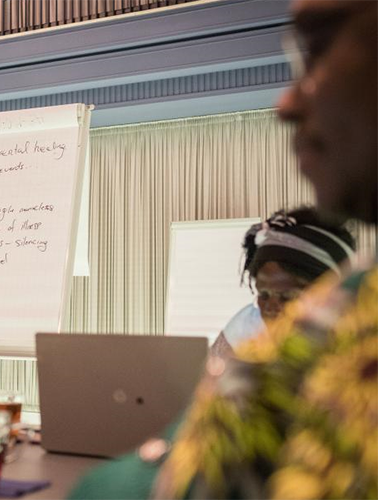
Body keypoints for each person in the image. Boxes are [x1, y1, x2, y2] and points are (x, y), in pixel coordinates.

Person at [74, 0, 378, 497]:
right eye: (264, 294)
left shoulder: (342, 325)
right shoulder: (317, 322)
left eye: (319, 48)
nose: (287, 104)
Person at [210, 207, 355, 357]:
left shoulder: (359, 347)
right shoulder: (244, 330)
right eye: (264, 295)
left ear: (332, 294)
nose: (270, 308)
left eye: (288, 296)